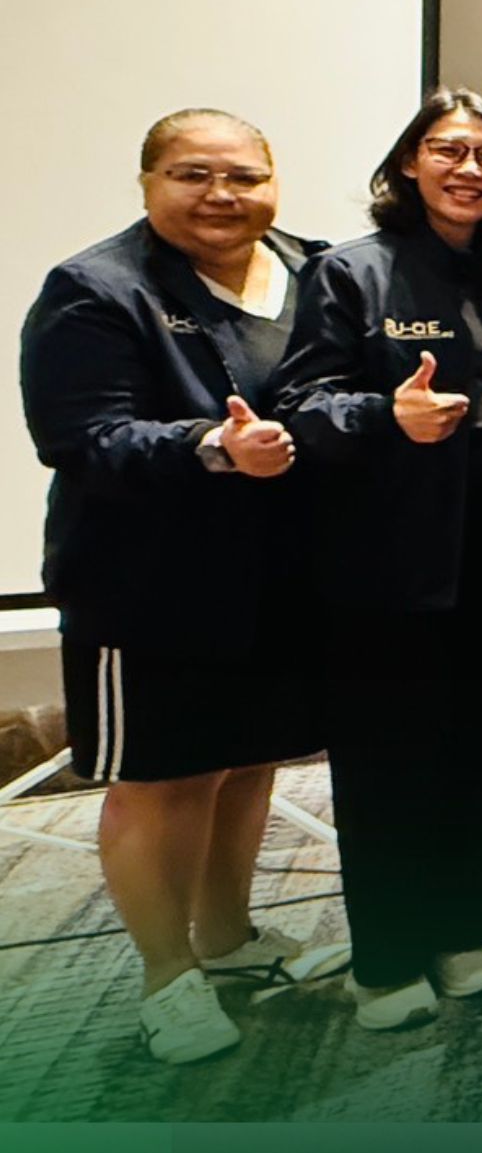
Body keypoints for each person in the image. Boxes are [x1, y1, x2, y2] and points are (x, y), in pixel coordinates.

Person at [20, 108, 324, 1063]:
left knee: (245, 762)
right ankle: (168, 978)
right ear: (149, 182)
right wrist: (211, 447)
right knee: (163, 778)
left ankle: (229, 942)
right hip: (148, 585)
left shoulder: (313, 270)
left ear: (273, 181)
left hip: (278, 577)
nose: (222, 195)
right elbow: (81, 437)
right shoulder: (96, 289)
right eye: (194, 175)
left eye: (244, 176)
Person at [272, 89, 482, 1032]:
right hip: (385, 552)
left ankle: (461, 930)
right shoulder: (349, 272)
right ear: (409, 163)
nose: (470, 169)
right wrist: (384, 416)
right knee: (391, 756)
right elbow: (302, 406)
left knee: (481, 745)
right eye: (449, 150)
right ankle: (388, 957)